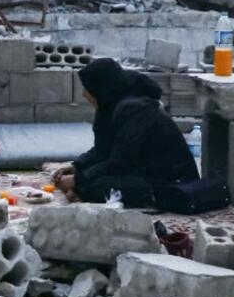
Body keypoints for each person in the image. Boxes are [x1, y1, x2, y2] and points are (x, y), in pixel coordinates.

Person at [51, 58, 200, 207]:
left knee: (98, 186)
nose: (84, 94)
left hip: (173, 181)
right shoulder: (111, 104)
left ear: (100, 88)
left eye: (87, 88)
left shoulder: (137, 109)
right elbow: (104, 149)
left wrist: (78, 180)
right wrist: (77, 166)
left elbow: (119, 163)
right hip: (142, 170)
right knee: (91, 182)